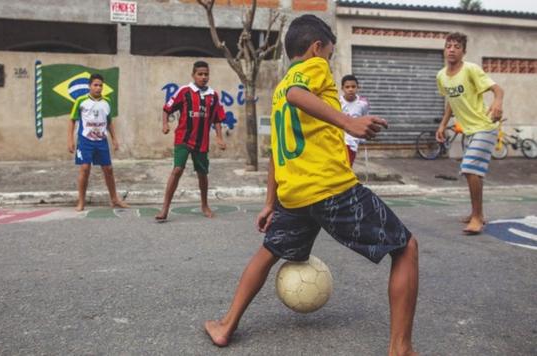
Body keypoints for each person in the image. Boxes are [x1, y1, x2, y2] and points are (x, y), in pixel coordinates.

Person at [204, 15, 419, 356]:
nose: (329, 63)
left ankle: (226, 325)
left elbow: (276, 150)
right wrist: (349, 121)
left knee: (267, 253)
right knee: (406, 248)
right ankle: (401, 348)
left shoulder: (277, 90)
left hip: (294, 195)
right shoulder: (310, 70)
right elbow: (297, 93)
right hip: (330, 188)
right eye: (330, 54)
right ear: (317, 48)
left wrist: (269, 202)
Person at [435, 32, 504, 235]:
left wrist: (498, 103)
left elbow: (498, 90)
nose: (452, 49)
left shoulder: (471, 69)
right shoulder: (441, 76)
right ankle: (477, 212)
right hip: (469, 130)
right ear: (444, 49)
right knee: (474, 172)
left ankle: (477, 217)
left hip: (485, 126)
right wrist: (442, 125)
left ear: (463, 51)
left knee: (469, 169)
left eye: (457, 46)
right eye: (449, 46)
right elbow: (450, 101)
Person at [155, 61, 226, 221]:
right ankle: (165, 208)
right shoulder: (184, 91)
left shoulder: (213, 95)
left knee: (202, 174)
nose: (203, 77)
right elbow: (167, 108)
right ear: (193, 75)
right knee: (177, 170)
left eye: (206, 74)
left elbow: (217, 118)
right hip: (183, 138)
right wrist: (165, 124)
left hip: (202, 141)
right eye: (200, 74)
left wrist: (219, 137)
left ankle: (204, 205)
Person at [67, 73, 129, 212]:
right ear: (89, 86)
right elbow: (72, 120)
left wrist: (114, 139)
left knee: (108, 169)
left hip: (101, 141)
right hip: (85, 141)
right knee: (85, 169)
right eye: (95, 85)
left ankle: (114, 199)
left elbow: (109, 122)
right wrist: (70, 140)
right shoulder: (81, 101)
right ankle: (81, 202)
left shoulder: (106, 102)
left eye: (100, 85)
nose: (98, 88)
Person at [340, 74, 370, 167]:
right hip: (340, 140)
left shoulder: (363, 103)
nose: (350, 89)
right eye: (347, 87)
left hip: (353, 141)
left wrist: (364, 135)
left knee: (348, 166)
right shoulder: (338, 102)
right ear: (342, 88)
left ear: (358, 87)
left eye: (353, 86)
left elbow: (365, 118)